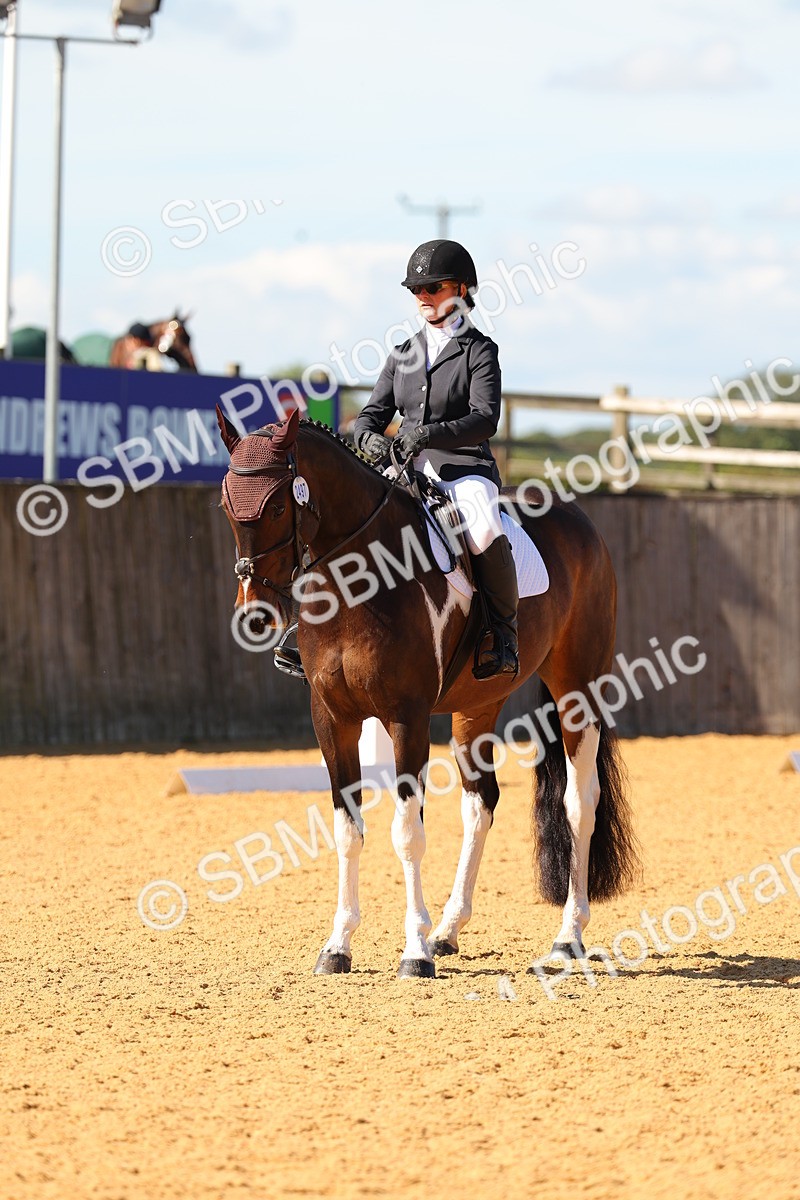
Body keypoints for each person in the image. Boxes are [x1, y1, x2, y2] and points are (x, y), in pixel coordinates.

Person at [352, 239, 518, 680]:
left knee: (483, 528)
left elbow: (485, 419)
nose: (423, 296)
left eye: (434, 286)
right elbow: (370, 416)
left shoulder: (480, 352)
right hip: (404, 470)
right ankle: (315, 625)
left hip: (463, 469)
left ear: (462, 290)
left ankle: (502, 635)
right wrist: (368, 439)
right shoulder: (402, 354)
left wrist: (427, 434)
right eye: (416, 290)